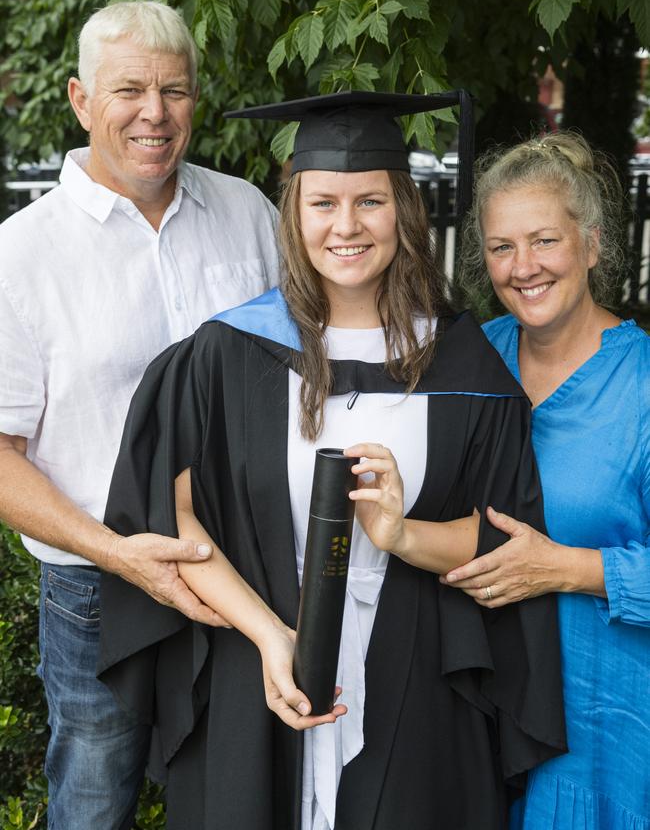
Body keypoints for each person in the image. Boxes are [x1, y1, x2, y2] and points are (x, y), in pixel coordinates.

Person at [98, 91, 566, 830]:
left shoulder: (464, 365)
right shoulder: (228, 354)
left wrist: (401, 533)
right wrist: (267, 636)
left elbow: (500, 539)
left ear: (403, 210)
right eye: (323, 203)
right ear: (295, 213)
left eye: (370, 201)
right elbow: (175, 517)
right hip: (262, 673)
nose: (346, 226)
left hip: (417, 680)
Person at [0, 0, 279, 829]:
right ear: (83, 101)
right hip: (95, 589)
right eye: (129, 90)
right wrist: (120, 556)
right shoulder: (22, 253)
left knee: (238, 798)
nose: (154, 113)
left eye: (175, 91)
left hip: (246, 574)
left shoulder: (249, 215)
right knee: (93, 807)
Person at [448, 131, 650, 829]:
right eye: (502, 247)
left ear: (592, 244)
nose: (523, 267)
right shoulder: (474, 361)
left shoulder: (643, 385)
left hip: (601, 733)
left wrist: (563, 568)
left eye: (544, 241)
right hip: (479, 721)